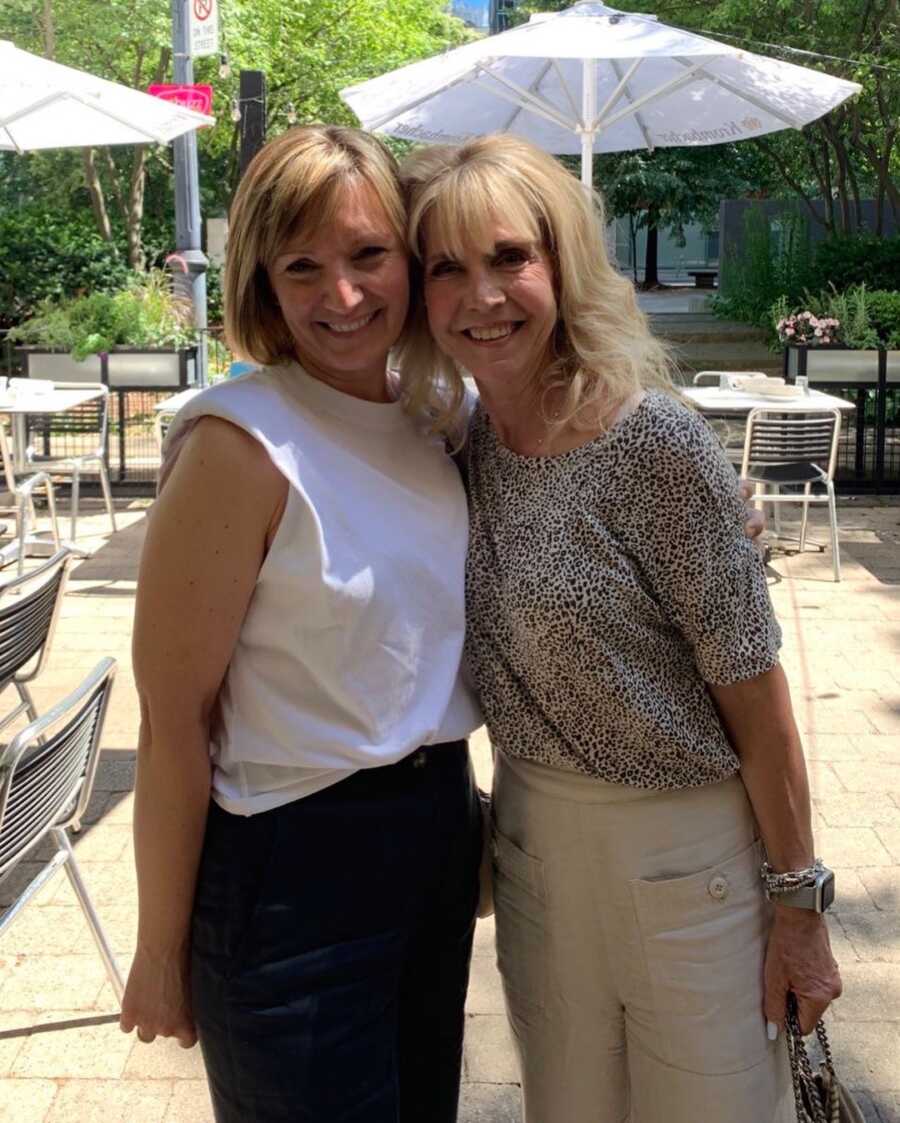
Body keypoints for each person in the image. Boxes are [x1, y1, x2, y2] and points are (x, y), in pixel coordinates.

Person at [399, 134, 842, 1123]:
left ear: (561, 264)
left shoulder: (651, 442)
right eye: (448, 268)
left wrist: (800, 908)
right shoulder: (453, 446)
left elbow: (760, 703)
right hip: (532, 852)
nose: (483, 296)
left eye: (511, 257)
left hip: (686, 856)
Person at [119, 125, 484, 1123]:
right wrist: (161, 947)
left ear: (410, 262)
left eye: (368, 256)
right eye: (304, 266)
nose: (344, 295)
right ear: (262, 283)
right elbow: (171, 720)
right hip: (289, 873)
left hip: (434, 838)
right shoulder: (241, 444)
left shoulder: (435, 415)